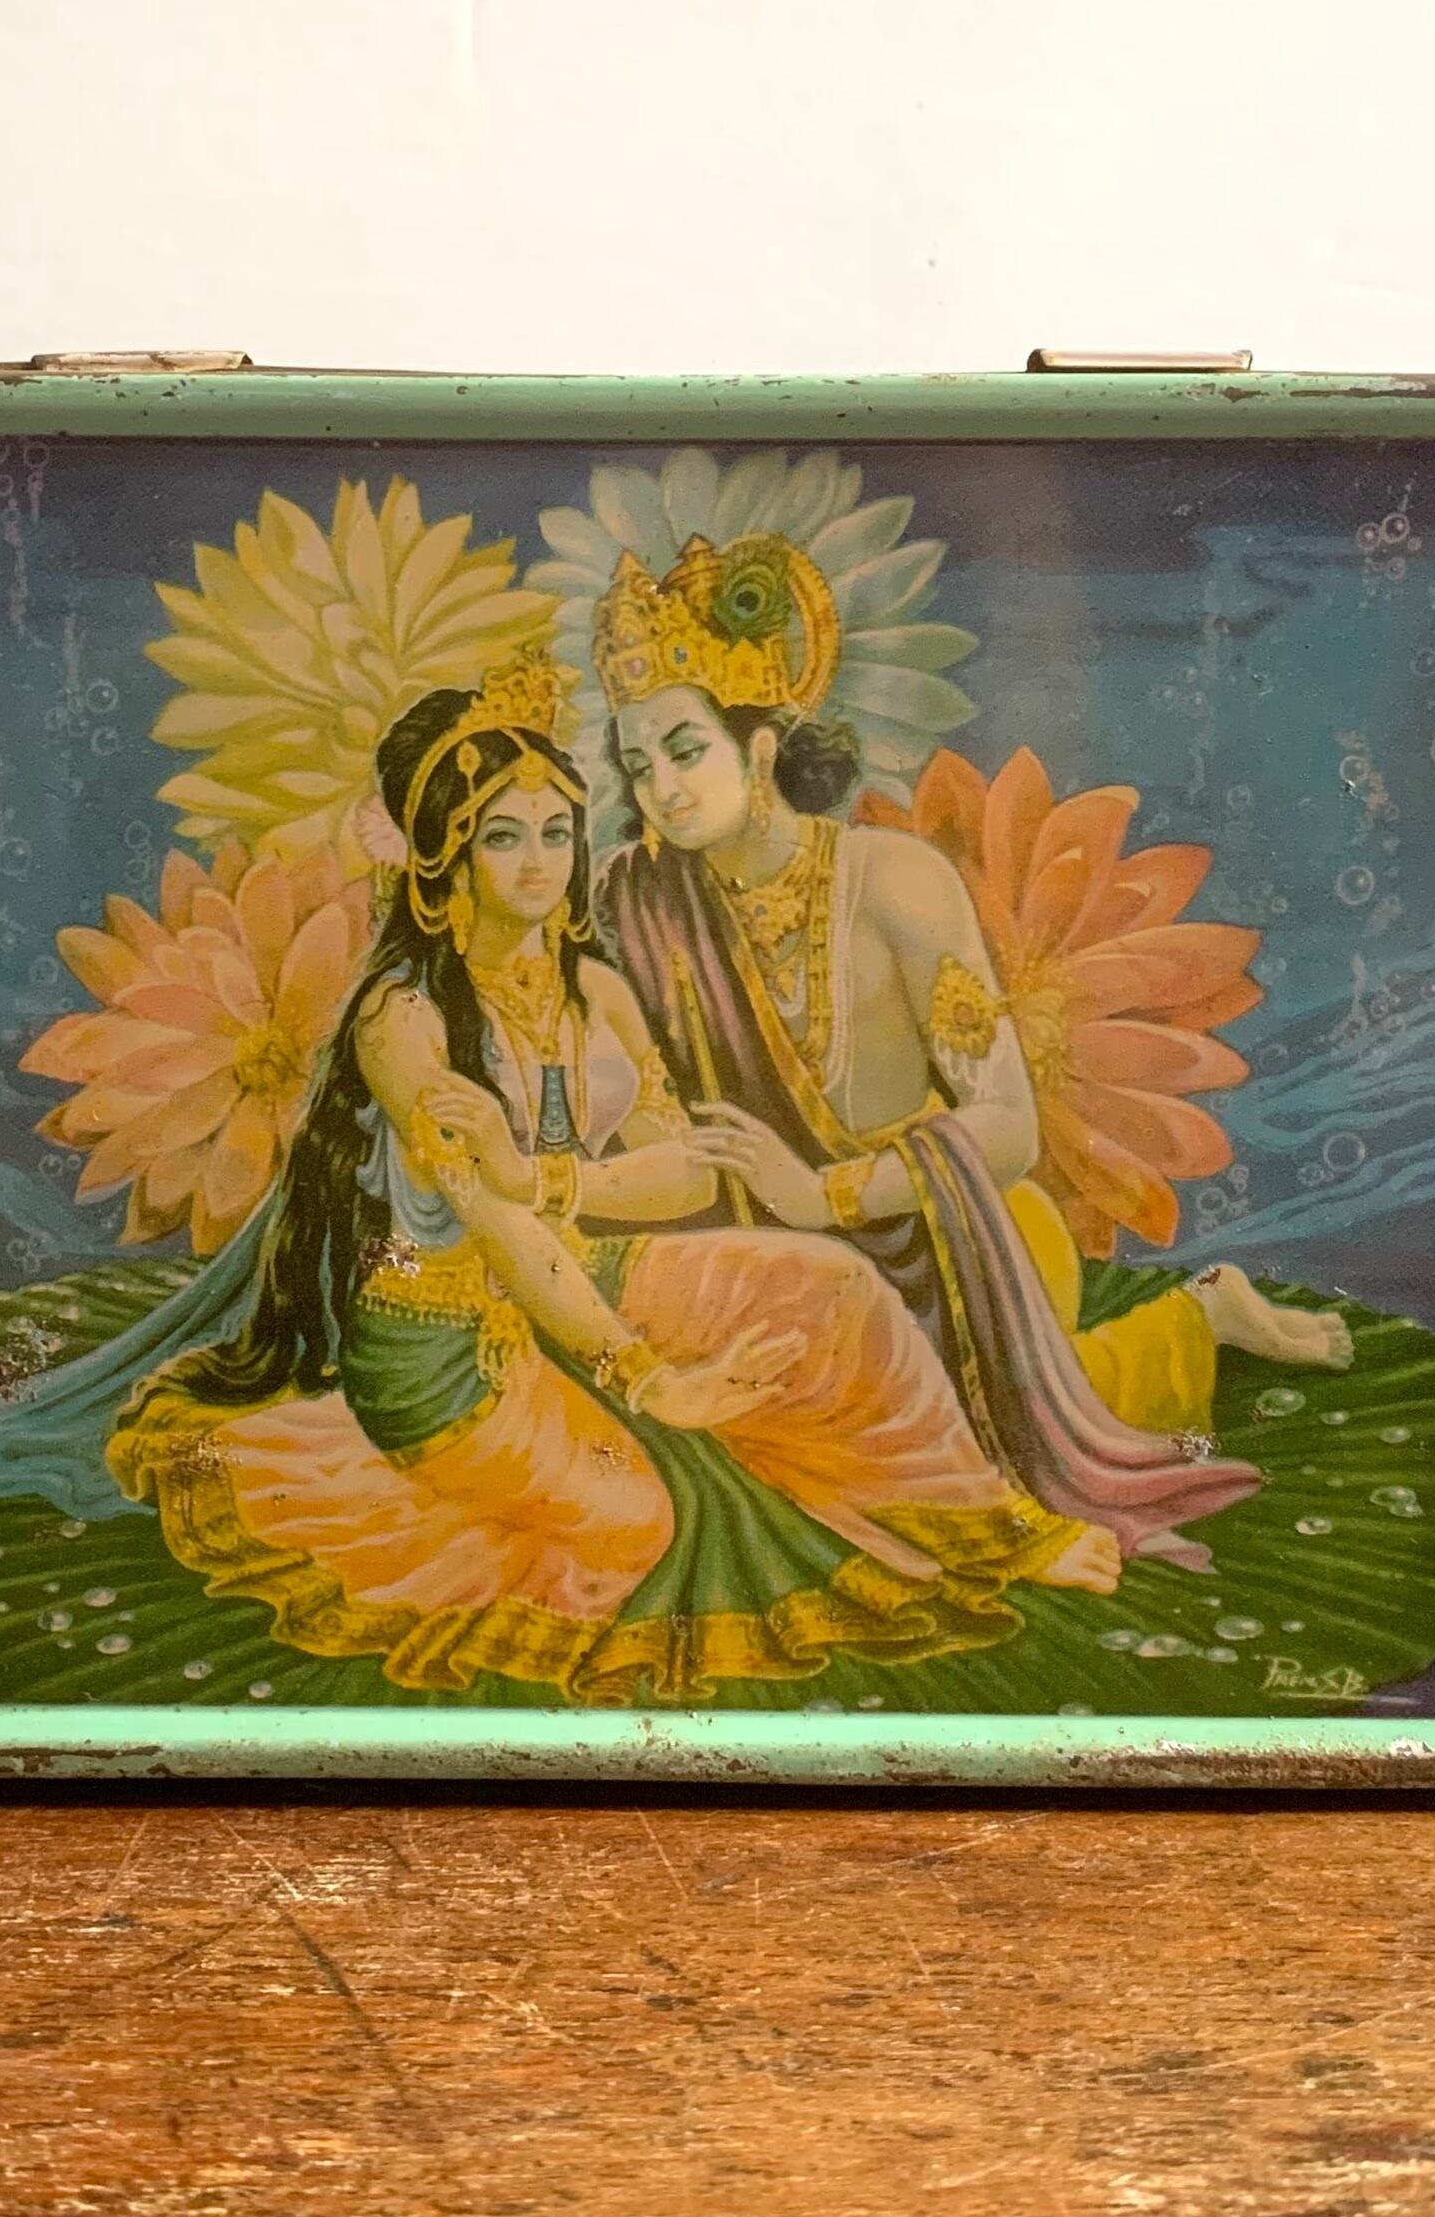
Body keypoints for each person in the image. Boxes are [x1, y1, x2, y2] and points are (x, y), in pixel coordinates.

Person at [69, 652, 1156, 1701]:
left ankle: (991, 1526)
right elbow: (504, 1238)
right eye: (502, 837)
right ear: (444, 863)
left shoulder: (595, 990)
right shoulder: (404, 1022)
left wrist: (552, 1181)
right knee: (635, 1523)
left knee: (833, 1289)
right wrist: (648, 1380)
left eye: (556, 832)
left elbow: (681, 1175)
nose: (538, 862)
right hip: (445, 1350)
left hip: (580, 1267)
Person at [588, 531, 1338, 1569]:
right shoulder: (632, 900)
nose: (662, 789)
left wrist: (820, 1196)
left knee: (992, 1459)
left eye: (684, 751)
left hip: (932, 1249)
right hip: (754, 1272)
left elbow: (1007, 1126)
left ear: (757, 748)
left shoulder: (893, 882)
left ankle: (1198, 1317)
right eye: (638, 767)